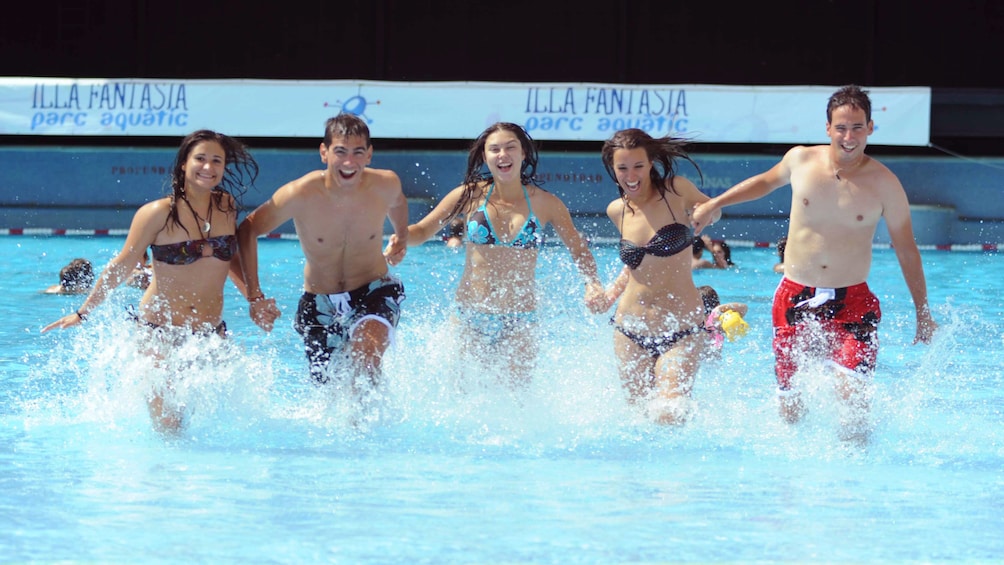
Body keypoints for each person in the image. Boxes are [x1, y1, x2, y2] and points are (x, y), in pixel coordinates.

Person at [691, 84, 937, 440]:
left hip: (852, 302)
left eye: (856, 127)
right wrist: (716, 203)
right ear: (827, 128)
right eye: (841, 127)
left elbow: (907, 250)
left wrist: (922, 311)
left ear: (870, 128)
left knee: (852, 402)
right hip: (794, 297)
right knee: (791, 411)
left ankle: (853, 477)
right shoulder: (801, 160)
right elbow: (763, 182)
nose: (848, 136)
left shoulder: (885, 184)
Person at [42, 130, 270, 433]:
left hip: (208, 335)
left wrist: (255, 299)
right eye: (200, 158)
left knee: (211, 427)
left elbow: (230, 260)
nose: (208, 166)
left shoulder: (226, 206)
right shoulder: (157, 213)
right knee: (169, 428)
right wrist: (83, 312)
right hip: (159, 333)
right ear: (183, 165)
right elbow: (121, 265)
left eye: (217, 160)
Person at [389, 122, 605, 385]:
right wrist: (400, 237)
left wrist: (592, 283)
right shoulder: (469, 195)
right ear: (485, 157)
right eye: (495, 149)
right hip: (471, 315)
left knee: (515, 403)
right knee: (463, 397)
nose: (503, 154)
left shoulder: (547, 203)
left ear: (524, 153)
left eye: (510, 148)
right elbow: (423, 231)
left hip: (520, 321)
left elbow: (578, 249)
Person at [237, 113, 409, 397]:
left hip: (374, 289)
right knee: (329, 393)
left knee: (366, 355)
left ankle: (371, 430)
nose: (349, 162)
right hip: (319, 302)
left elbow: (399, 204)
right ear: (324, 152)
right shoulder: (300, 193)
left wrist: (401, 237)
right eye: (340, 151)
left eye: (357, 152)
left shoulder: (385, 184)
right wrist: (255, 296)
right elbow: (247, 230)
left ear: (369, 154)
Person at [594, 128, 721, 425]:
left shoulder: (677, 190)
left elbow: (713, 211)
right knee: (637, 419)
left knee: (669, 413)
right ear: (613, 169)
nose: (631, 175)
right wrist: (610, 294)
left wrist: (706, 214)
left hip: (682, 328)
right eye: (622, 168)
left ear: (651, 163)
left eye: (638, 165)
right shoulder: (617, 211)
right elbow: (639, 264)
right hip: (630, 328)